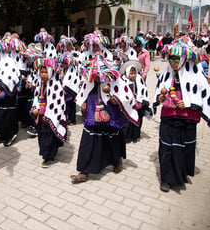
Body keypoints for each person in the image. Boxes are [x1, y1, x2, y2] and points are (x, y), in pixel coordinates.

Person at [153, 38, 210, 192]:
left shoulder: (195, 74)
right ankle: (166, 179)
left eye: (176, 59)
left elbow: (202, 93)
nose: (173, 62)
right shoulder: (166, 74)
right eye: (171, 59)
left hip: (187, 118)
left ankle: (181, 174)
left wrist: (187, 103)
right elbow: (158, 94)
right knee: (167, 147)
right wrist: (160, 98)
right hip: (169, 116)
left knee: (183, 148)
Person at [71, 55, 140, 183]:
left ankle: (116, 160)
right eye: (94, 75)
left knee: (112, 137)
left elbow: (126, 94)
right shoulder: (89, 79)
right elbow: (83, 91)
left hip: (110, 110)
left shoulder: (115, 78)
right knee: (89, 139)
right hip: (93, 109)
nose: (96, 78)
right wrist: (83, 102)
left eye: (99, 75)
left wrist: (116, 99)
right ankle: (84, 171)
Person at [30, 61, 67, 168]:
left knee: (50, 135)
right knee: (42, 135)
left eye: (46, 72)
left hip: (51, 115)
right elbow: (36, 98)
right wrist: (35, 108)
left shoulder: (56, 84)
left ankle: (49, 157)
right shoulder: (39, 84)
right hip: (41, 116)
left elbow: (58, 103)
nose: (43, 74)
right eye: (41, 72)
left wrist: (47, 111)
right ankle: (47, 153)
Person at [120, 60, 151, 143]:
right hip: (127, 105)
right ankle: (126, 137)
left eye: (135, 73)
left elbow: (143, 89)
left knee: (137, 120)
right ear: (127, 73)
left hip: (137, 104)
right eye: (131, 73)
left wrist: (143, 101)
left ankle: (135, 136)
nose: (133, 75)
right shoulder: (122, 81)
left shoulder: (139, 79)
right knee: (127, 121)